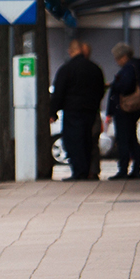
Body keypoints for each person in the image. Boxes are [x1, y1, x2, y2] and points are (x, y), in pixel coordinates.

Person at [53, 37, 107, 181]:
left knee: (73, 141)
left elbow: (59, 92)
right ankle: (87, 170)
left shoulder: (67, 69)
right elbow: (101, 90)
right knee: (87, 141)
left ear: (71, 51)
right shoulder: (95, 68)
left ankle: (78, 172)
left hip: (72, 111)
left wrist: (53, 111)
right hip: (90, 110)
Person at [106, 43, 140, 180]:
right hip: (133, 108)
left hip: (124, 108)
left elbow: (125, 86)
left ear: (123, 56)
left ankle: (123, 169)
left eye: (118, 58)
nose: (117, 61)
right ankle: (135, 168)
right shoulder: (136, 67)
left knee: (124, 139)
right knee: (132, 139)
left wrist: (114, 85)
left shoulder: (128, 69)